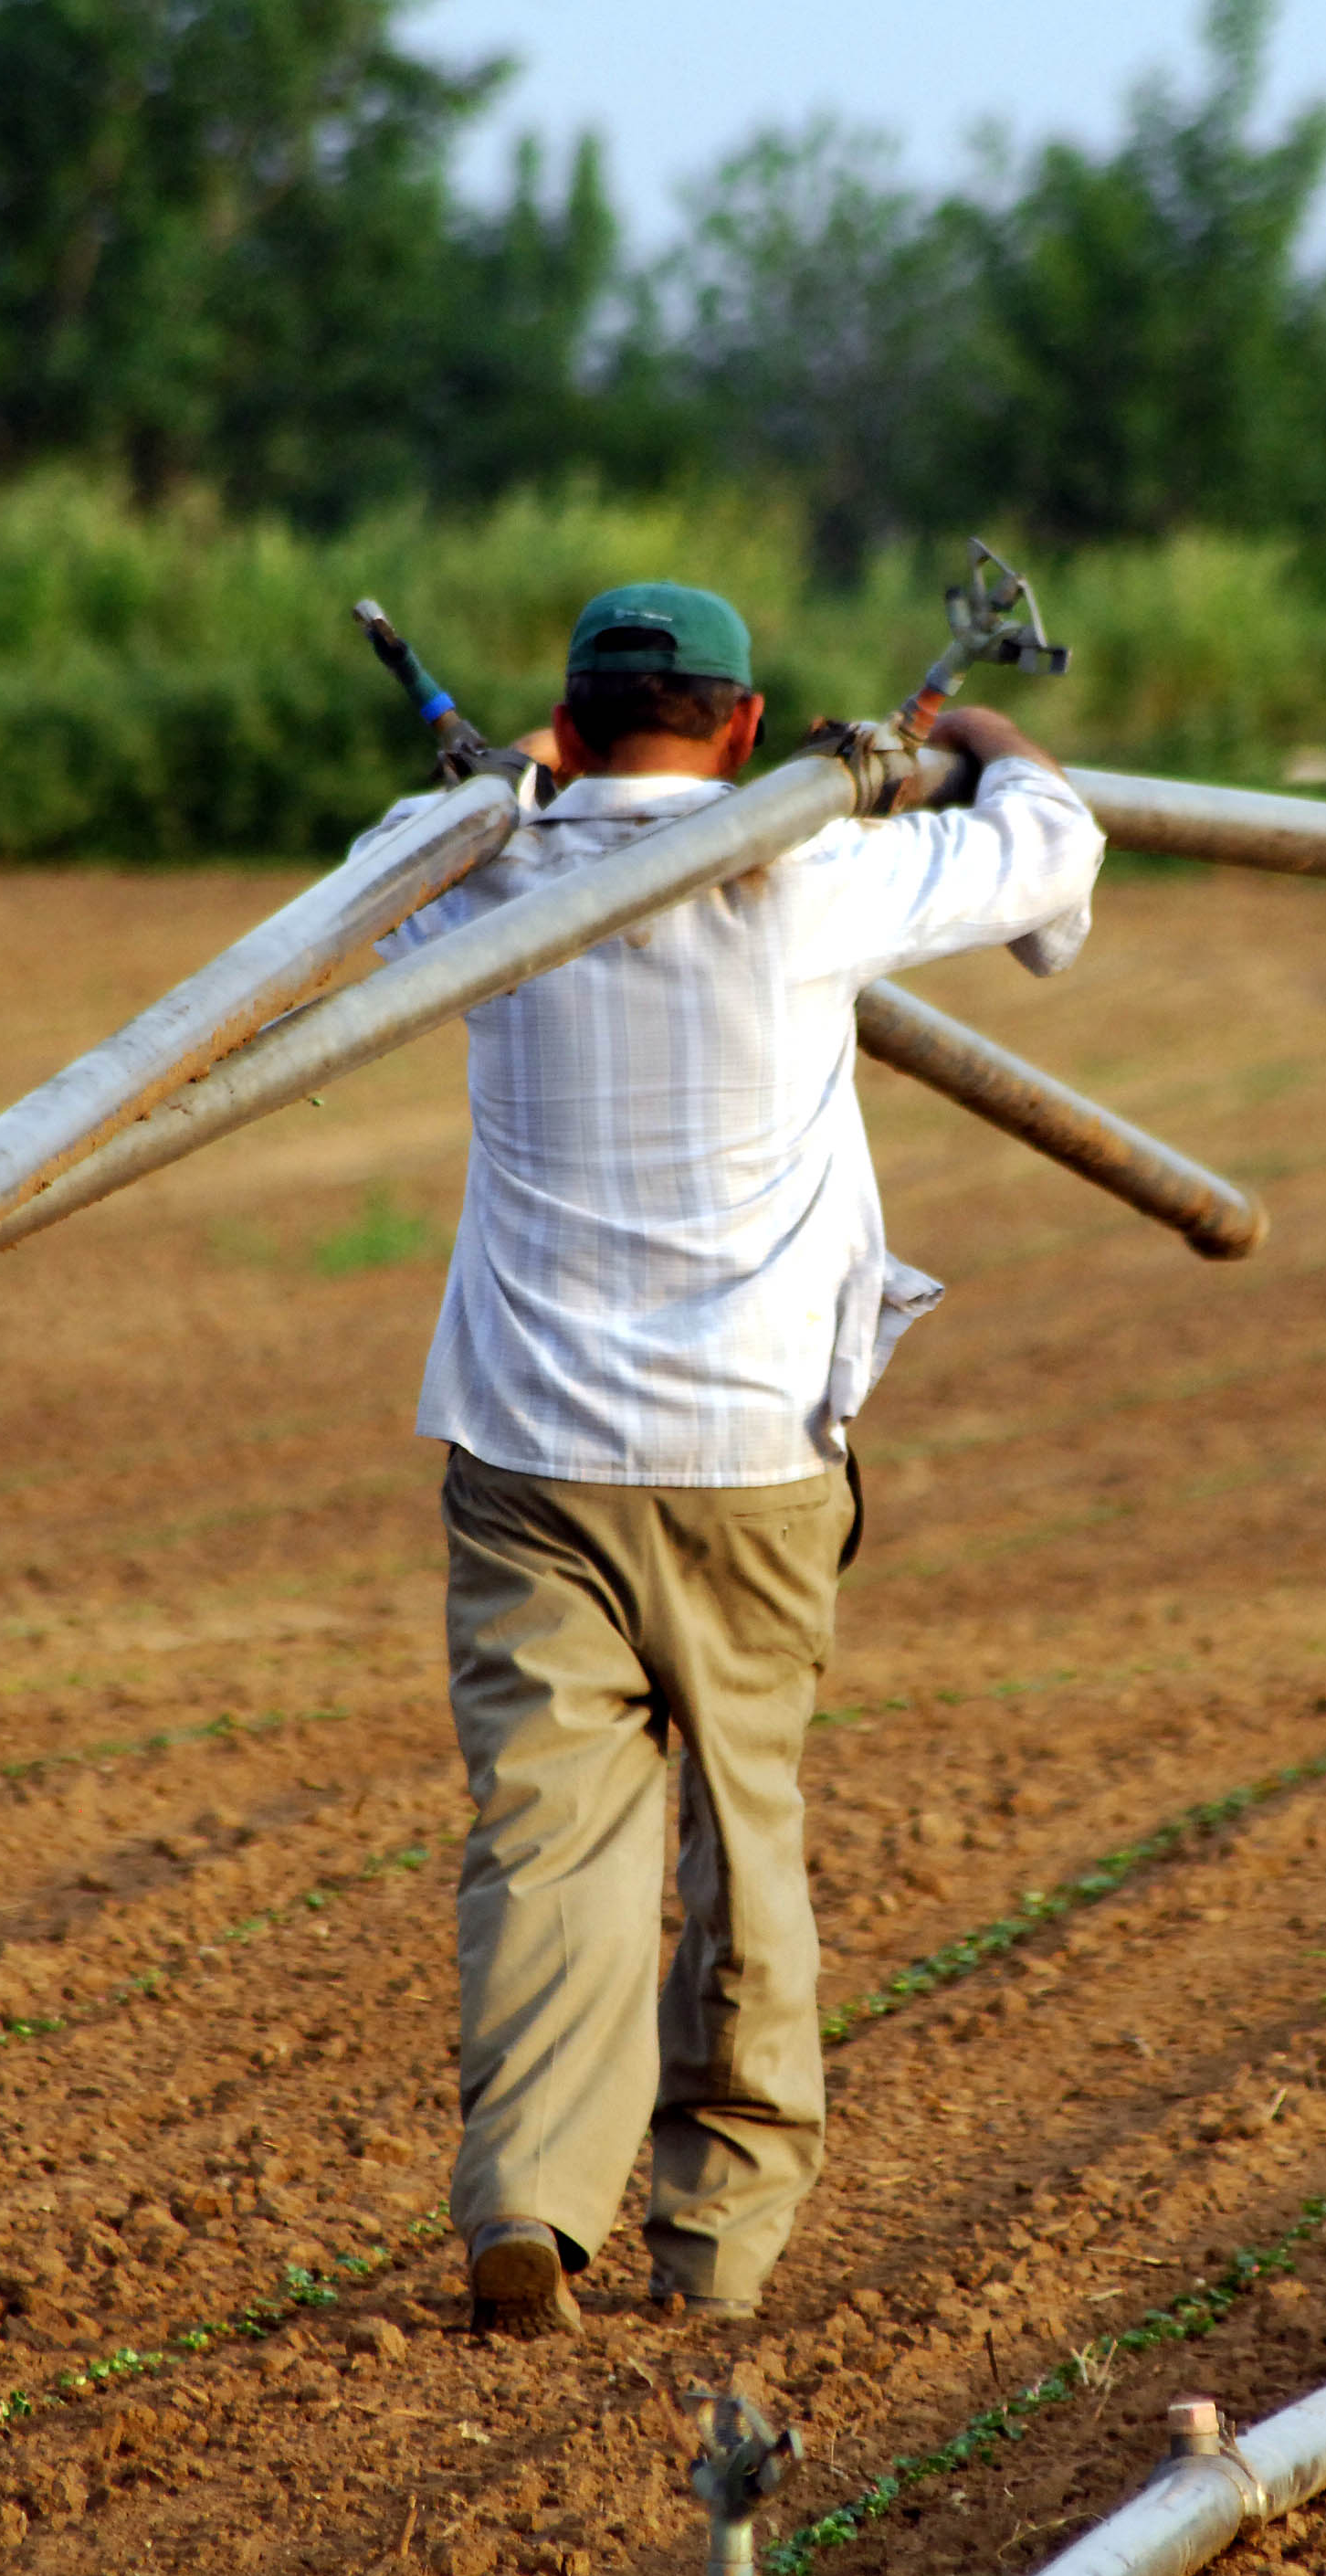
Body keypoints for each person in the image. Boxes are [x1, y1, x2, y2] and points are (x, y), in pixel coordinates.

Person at [345, 581, 1100, 2337]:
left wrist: (522, 785)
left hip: (528, 1452)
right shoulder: (811, 875)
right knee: (742, 1841)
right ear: (749, 728)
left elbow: (401, 863)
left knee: (546, 1838)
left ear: (568, 721)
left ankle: (530, 2203)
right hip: (755, 1455)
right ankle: (716, 2253)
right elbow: (1052, 853)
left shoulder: (472, 874)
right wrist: (967, 743)